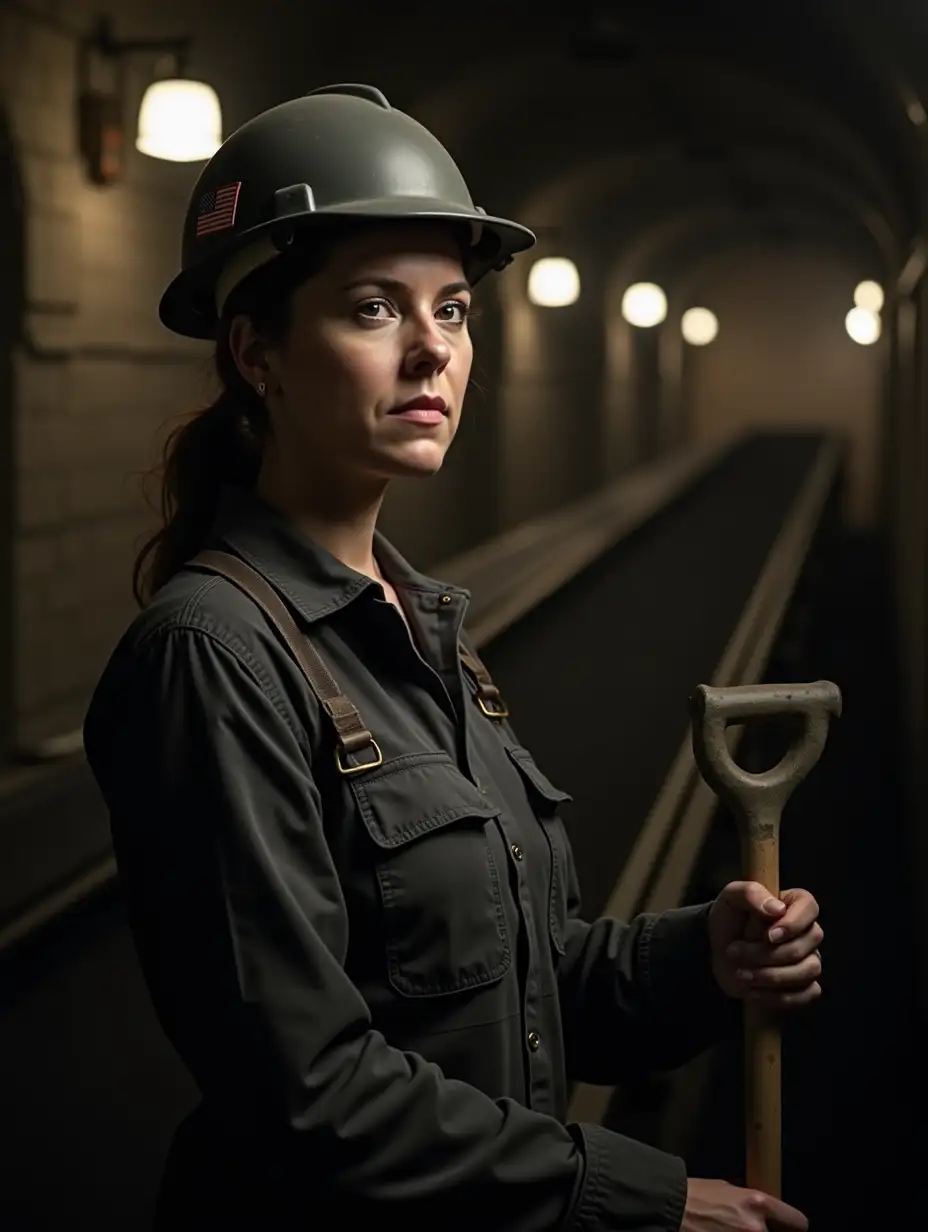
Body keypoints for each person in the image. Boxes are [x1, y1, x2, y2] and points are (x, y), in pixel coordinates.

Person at [82, 84, 824, 1231]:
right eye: (375, 309)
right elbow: (305, 1089)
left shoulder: (422, 625)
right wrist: (638, 1198)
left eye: (454, 310)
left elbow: (510, 984)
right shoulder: (213, 657)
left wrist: (698, 959)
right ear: (257, 351)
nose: (434, 349)